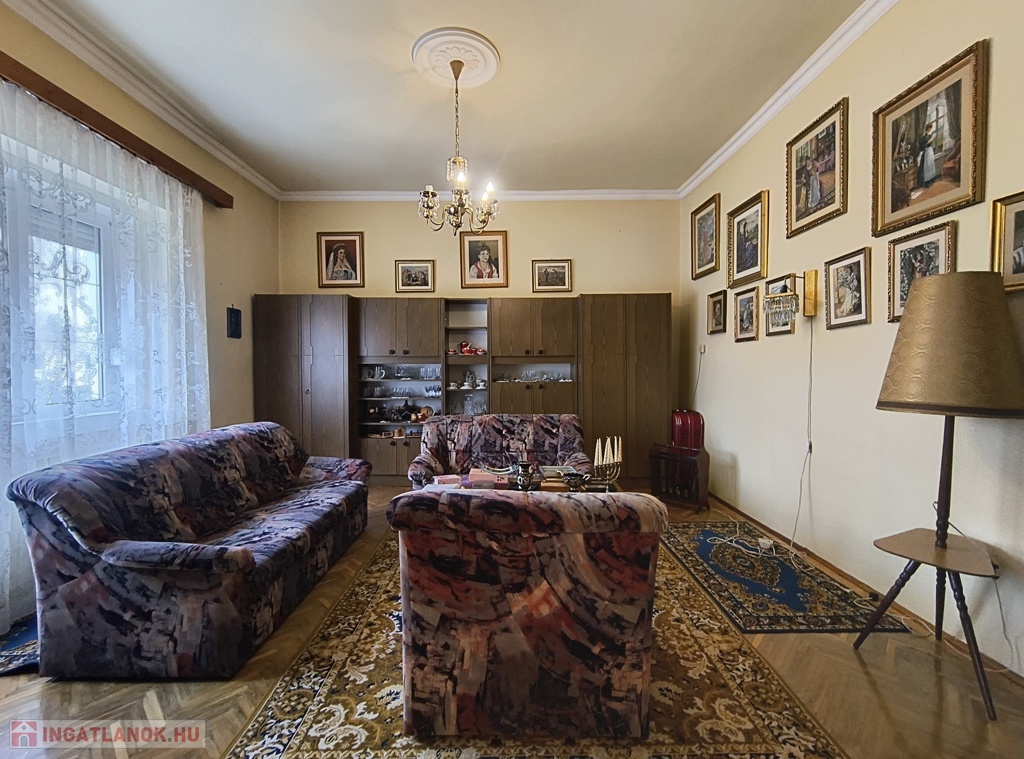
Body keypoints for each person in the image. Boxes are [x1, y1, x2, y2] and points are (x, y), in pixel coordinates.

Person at [917, 122, 937, 189]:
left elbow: (930, 143)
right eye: (929, 129)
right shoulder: (924, 137)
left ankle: (930, 180)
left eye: (930, 129)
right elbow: (924, 145)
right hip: (925, 153)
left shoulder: (929, 136)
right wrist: (931, 139)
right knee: (925, 167)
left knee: (930, 166)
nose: (929, 130)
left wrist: (932, 138)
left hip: (930, 152)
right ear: (926, 129)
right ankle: (925, 182)